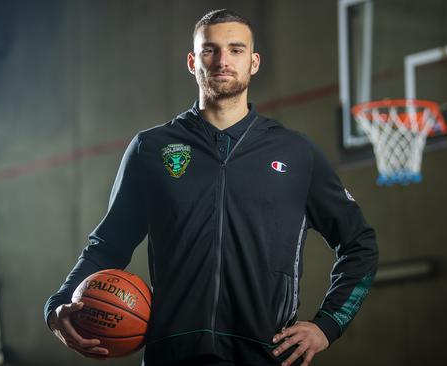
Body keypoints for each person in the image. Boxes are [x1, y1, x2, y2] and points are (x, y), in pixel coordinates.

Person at [44, 9, 378, 366]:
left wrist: (327, 326)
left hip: (266, 355)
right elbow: (107, 246)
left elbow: (359, 245)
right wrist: (57, 306)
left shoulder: (296, 152)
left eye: (236, 50)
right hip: (173, 354)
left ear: (254, 62)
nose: (222, 60)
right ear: (192, 61)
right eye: (210, 50)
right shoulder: (151, 148)